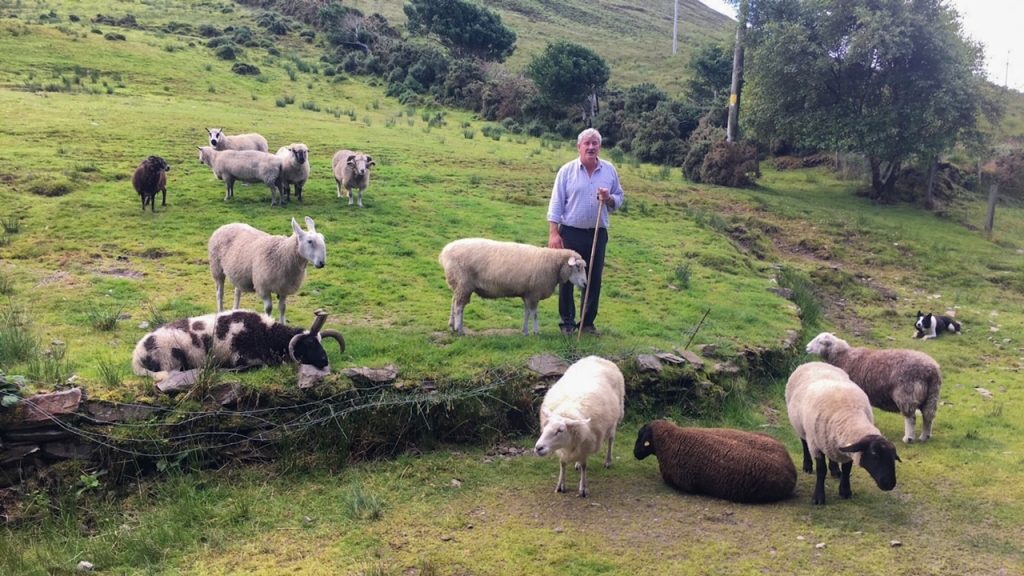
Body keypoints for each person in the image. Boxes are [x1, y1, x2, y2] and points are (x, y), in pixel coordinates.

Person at [547, 128, 625, 335]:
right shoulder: (567, 171)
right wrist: (554, 233)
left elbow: (619, 198)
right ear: (579, 147)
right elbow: (556, 204)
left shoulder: (609, 171)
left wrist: (609, 198)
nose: (591, 147)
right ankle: (567, 323)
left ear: (600, 146)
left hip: (597, 234)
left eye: (595, 143)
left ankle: (587, 323)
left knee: (593, 278)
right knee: (567, 278)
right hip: (570, 232)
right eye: (587, 143)